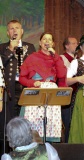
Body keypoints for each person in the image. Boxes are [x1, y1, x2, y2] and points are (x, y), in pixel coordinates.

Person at [19, 32, 67, 142]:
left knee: (49, 127)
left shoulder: (57, 58)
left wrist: (55, 57)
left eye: (49, 40)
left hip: (51, 96)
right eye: (44, 39)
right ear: (40, 43)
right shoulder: (32, 58)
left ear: (53, 44)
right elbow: (22, 78)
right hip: (35, 93)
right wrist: (32, 83)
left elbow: (61, 75)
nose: (47, 41)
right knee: (33, 129)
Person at [0, 19, 36, 155]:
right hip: (8, 91)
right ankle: (7, 154)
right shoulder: (2, 47)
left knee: (26, 122)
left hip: (25, 89)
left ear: (22, 31)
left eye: (17, 28)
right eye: (11, 28)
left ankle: (26, 154)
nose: (14, 30)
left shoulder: (30, 47)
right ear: (8, 33)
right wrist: (10, 49)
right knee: (7, 123)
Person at [60, 36, 78, 142]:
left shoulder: (77, 59)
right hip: (67, 95)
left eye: (77, 43)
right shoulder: (62, 58)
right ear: (66, 46)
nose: (76, 45)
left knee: (75, 124)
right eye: (73, 43)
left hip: (76, 95)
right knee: (68, 123)